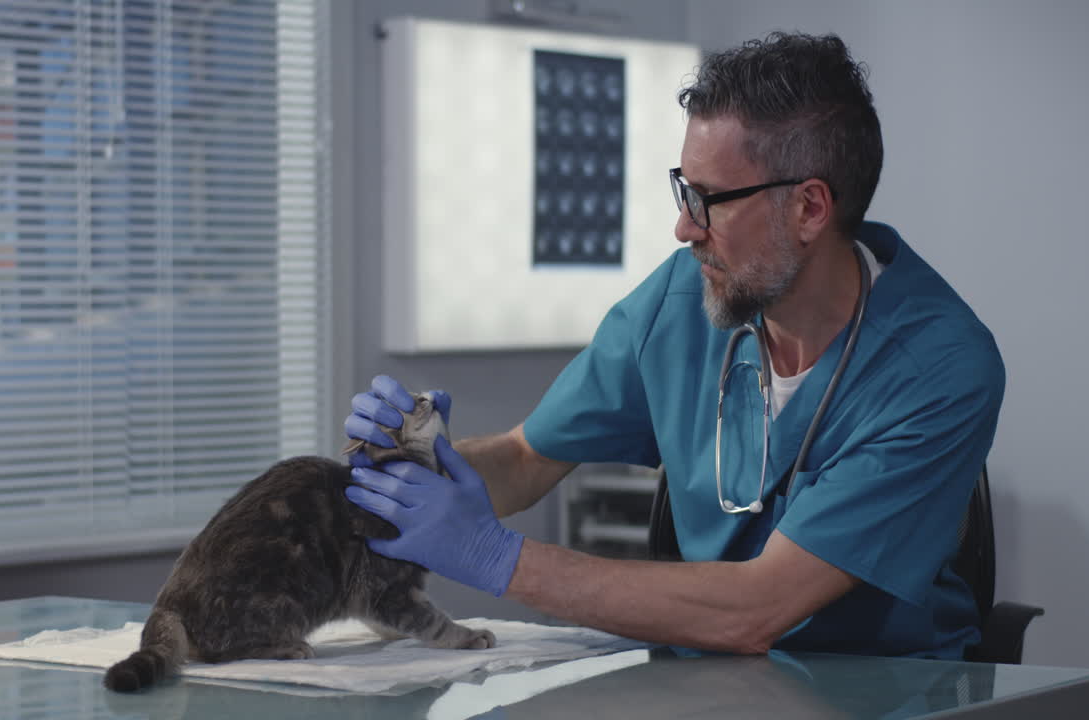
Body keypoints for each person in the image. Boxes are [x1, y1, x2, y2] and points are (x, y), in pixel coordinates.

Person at [344, 31, 1004, 660]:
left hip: (887, 691)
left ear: (808, 209)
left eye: (709, 200)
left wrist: (497, 558)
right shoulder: (681, 301)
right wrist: (422, 463)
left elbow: (758, 609)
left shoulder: (940, 368)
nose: (683, 226)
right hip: (707, 678)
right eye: (683, 189)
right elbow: (524, 458)